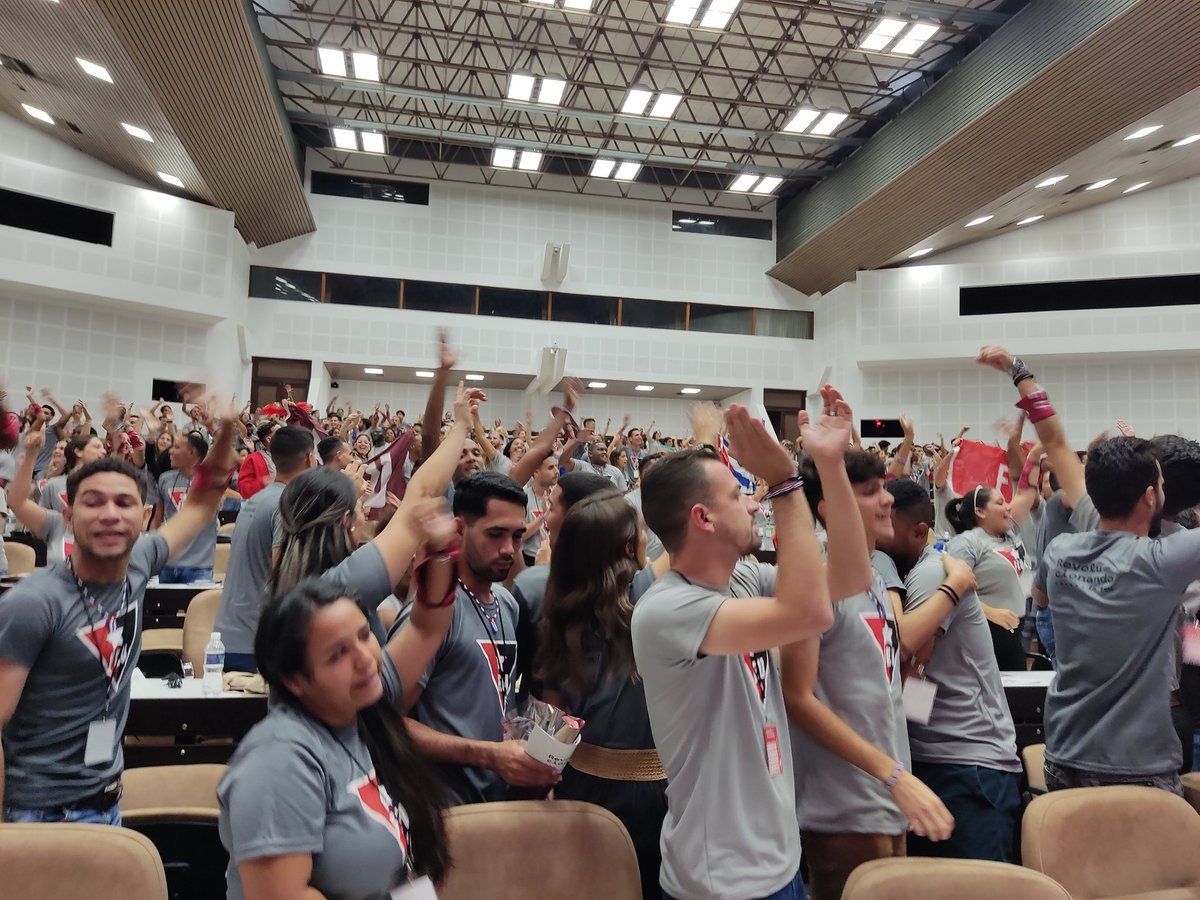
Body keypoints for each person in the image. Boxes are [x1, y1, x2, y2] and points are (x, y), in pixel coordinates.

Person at [631, 395, 845, 900]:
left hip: (780, 861)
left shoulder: (743, 580)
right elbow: (809, 614)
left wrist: (830, 468)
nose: (754, 501)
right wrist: (786, 482)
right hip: (722, 881)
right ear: (704, 519)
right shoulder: (666, 610)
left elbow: (850, 576)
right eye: (738, 494)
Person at [977, 345, 1200, 794]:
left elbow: (1055, 443)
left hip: (1063, 754)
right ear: (1151, 499)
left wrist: (1019, 371)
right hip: (1136, 767)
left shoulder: (1065, 549)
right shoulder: (1167, 558)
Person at [0, 409, 236, 824]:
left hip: (105, 799)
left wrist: (227, 430)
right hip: (38, 813)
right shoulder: (32, 603)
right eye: (93, 502)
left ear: (144, 517)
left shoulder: (140, 560)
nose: (110, 513)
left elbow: (201, 501)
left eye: (124, 502)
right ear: (68, 516)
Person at [219, 527, 459, 900]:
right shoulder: (279, 760)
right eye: (337, 654)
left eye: (365, 636)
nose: (365, 659)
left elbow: (428, 625)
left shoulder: (359, 705)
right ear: (295, 680)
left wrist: (442, 552)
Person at [784, 449, 953, 900]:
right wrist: (895, 776)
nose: (887, 501)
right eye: (870, 491)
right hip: (844, 811)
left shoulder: (876, 579)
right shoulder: (818, 579)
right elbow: (797, 698)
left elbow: (887, 682)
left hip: (888, 802)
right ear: (830, 506)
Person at [875, 479, 1023, 862]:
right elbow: (920, 674)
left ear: (918, 531)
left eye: (884, 526)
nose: (875, 537)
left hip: (971, 766)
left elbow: (908, 652)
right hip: (943, 758)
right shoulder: (908, 576)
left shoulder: (931, 574)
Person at [400, 471, 561, 805]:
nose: (508, 549)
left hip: (496, 800)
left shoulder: (506, 603)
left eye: (517, 536)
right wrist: (487, 755)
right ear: (459, 529)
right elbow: (389, 725)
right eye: (495, 534)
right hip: (442, 807)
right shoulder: (433, 612)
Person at [536, 492, 665, 899]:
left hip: (580, 790)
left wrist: (541, 780)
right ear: (630, 548)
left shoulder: (557, 613)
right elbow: (688, 534)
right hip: (654, 797)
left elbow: (550, 718)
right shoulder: (650, 597)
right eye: (642, 534)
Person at [214, 426, 313, 673]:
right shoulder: (286, 503)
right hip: (256, 638)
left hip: (228, 632)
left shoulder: (257, 499)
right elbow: (283, 575)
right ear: (309, 459)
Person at [943, 468, 1040, 670]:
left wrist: (1036, 454)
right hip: (983, 634)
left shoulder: (1009, 533)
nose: (1008, 507)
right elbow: (951, 590)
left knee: (1014, 698)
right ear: (980, 512)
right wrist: (989, 612)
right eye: (1000, 503)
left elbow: (1026, 493)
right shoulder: (967, 543)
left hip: (1013, 633)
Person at [152, 431, 221, 584]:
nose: (171, 451)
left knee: (197, 607)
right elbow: (157, 519)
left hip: (199, 565)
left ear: (192, 453)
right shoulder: (165, 478)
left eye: (177, 447)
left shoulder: (211, 481)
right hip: (167, 563)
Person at [237, 422, 280, 500]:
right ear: (269, 439)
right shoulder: (253, 459)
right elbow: (244, 490)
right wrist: (263, 482)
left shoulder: (292, 456)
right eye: (281, 433)